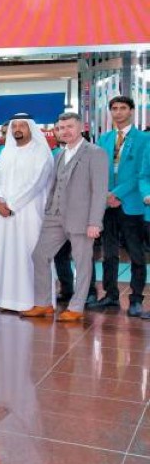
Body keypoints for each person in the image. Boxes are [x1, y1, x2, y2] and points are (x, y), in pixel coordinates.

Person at [25, 112, 108, 321]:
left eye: (69, 126)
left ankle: (77, 307)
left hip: (81, 219)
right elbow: (54, 185)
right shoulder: (59, 154)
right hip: (55, 217)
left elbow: (99, 191)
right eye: (61, 128)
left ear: (80, 127)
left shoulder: (95, 153)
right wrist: (48, 210)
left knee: (82, 263)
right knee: (39, 255)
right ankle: (43, 303)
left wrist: (95, 222)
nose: (65, 131)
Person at [0, 114, 54, 312]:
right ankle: (7, 300)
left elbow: (36, 183)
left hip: (29, 212)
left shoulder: (41, 152)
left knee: (29, 255)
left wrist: (12, 205)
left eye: (22, 126)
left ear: (31, 128)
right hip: (3, 213)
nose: (17, 129)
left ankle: (35, 301)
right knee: (6, 255)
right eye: (14, 126)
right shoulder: (6, 152)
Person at [89, 96, 146, 316]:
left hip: (131, 203)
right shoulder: (104, 139)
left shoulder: (144, 139)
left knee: (136, 254)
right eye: (114, 108)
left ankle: (136, 299)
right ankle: (111, 295)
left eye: (123, 108)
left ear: (131, 111)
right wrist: (105, 195)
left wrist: (117, 194)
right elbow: (98, 170)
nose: (118, 112)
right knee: (109, 253)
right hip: (106, 204)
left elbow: (141, 173)